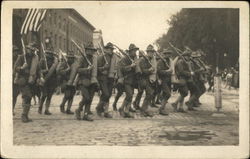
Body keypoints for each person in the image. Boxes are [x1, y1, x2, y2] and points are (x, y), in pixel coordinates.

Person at [14, 42, 40, 122]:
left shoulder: (35, 58)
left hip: (31, 81)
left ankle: (26, 115)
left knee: (29, 98)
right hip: (23, 80)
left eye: (33, 50)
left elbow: (38, 69)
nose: (31, 51)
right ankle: (23, 116)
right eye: (30, 50)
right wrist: (22, 67)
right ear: (27, 49)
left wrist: (41, 77)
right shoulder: (22, 57)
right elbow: (15, 68)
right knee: (27, 96)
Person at [75, 42, 98, 121]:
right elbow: (78, 70)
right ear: (86, 50)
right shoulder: (82, 59)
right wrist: (87, 69)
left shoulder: (93, 59)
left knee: (90, 99)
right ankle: (78, 109)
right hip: (82, 81)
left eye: (92, 50)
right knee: (87, 98)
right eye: (90, 50)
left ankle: (86, 114)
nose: (91, 52)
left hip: (91, 81)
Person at [95, 42, 116, 118]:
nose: (111, 51)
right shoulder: (101, 57)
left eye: (112, 49)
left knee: (108, 95)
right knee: (106, 94)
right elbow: (97, 69)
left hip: (111, 78)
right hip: (103, 78)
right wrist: (104, 67)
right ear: (106, 49)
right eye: (110, 49)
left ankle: (106, 111)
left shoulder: (113, 57)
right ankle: (99, 107)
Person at [118, 44, 139, 118]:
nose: (135, 52)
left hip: (133, 80)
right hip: (126, 80)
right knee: (129, 95)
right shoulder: (125, 59)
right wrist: (131, 66)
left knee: (130, 95)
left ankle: (126, 110)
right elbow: (122, 69)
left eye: (136, 51)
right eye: (134, 51)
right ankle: (122, 108)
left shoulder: (135, 58)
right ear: (130, 51)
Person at [38, 49, 59, 115]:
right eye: (48, 53)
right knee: (44, 95)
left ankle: (47, 109)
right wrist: (45, 71)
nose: (49, 55)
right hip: (44, 80)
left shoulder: (54, 61)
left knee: (49, 96)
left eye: (51, 53)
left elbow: (56, 71)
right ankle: (40, 107)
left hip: (52, 81)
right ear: (46, 53)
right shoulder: (42, 60)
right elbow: (38, 70)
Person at [139, 44, 157, 117]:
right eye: (150, 52)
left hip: (148, 79)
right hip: (143, 80)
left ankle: (145, 109)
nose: (152, 53)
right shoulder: (143, 60)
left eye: (152, 52)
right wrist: (150, 70)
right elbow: (143, 71)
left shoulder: (151, 60)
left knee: (150, 94)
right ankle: (143, 110)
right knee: (149, 94)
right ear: (147, 52)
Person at [157, 48, 173, 115]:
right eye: (167, 54)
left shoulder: (169, 61)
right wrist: (167, 72)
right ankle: (161, 108)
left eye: (169, 54)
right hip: (163, 80)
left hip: (168, 80)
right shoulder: (160, 61)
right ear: (164, 54)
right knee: (168, 94)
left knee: (165, 94)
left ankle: (162, 108)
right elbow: (159, 71)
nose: (168, 55)